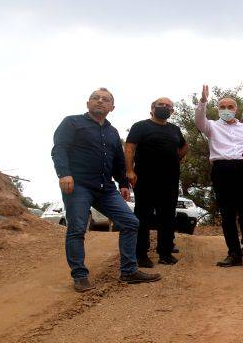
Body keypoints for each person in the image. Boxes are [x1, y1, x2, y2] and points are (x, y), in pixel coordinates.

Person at [51, 88, 162, 292]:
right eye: (95, 98)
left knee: (130, 222)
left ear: (112, 107)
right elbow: (59, 149)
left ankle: (129, 271)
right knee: (77, 228)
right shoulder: (72, 123)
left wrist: (123, 184)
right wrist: (64, 174)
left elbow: (118, 160)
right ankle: (80, 275)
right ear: (88, 103)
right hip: (78, 185)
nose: (100, 101)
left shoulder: (112, 132)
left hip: (106, 188)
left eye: (105, 100)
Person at [195, 85, 243, 268]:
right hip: (222, 169)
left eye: (230, 107)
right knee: (227, 214)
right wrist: (203, 101)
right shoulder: (211, 126)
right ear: (217, 109)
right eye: (222, 107)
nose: (226, 110)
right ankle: (234, 254)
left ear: (236, 109)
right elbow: (199, 120)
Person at [125, 97, 188, 267]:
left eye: (168, 106)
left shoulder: (175, 129)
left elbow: (184, 146)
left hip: (170, 179)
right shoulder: (140, 126)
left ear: (172, 111)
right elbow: (129, 147)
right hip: (144, 178)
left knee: (167, 216)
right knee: (143, 216)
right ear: (152, 108)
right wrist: (129, 171)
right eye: (161, 105)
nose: (165, 108)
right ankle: (141, 254)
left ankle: (165, 253)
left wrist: (176, 158)